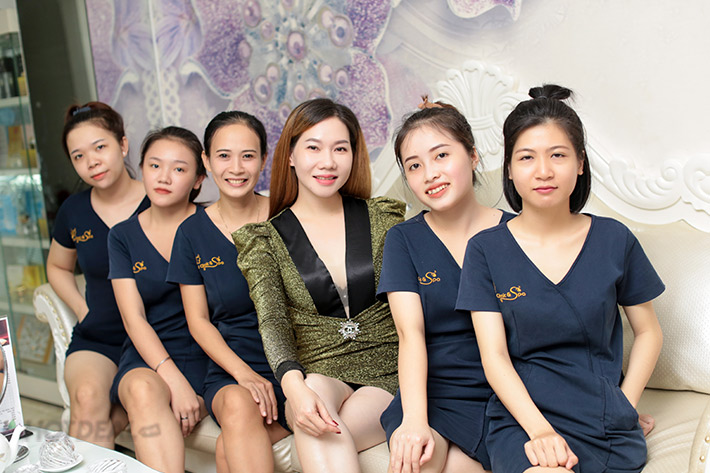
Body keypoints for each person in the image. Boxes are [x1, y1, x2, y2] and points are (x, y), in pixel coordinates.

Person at [456, 85, 664, 473]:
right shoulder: (485, 250)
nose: (544, 171)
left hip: (602, 419)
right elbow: (494, 356)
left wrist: (625, 405)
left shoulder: (614, 240)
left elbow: (649, 331)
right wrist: (540, 432)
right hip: (523, 419)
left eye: (558, 155)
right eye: (526, 157)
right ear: (509, 169)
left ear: (580, 163)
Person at [233, 98, 404, 473]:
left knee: (321, 432)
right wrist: (293, 388)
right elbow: (273, 321)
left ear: (353, 155)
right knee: (313, 406)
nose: (328, 162)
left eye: (340, 149)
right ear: (290, 156)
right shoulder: (265, 240)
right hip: (316, 372)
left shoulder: (383, 218)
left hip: (386, 372)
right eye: (313, 148)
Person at [378, 99, 513, 473]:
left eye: (441, 155)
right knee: (415, 460)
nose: (430, 174)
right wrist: (414, 420)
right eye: (414, 166)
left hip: (506, 390)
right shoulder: (403, 239)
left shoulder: (517, 233)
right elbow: (410, 335)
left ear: (472, 155)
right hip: (431, 391)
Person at [166, 111, 289, 473]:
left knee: (226, 451)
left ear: (263, 160)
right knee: (237, 405)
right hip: (231, 367)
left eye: (247, 156)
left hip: (298, 364)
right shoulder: (190, 233)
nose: (236, 168)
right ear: (206, 161)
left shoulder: (286, 215)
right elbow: (198, 321)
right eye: (223, 156)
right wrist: (244, 374)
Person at [46, 102, 148, 447]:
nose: (91, 162)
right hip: (99, 337)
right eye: (78, 156)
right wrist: (81, 307)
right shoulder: (73, 211)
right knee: (87, 398)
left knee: (113, 416)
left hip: (158, 336)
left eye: (100, 147)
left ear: (123, 145)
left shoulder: (160, 199)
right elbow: (57, 266)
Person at [108, 126, 208, 473]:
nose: (164, 177)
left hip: (209, 353)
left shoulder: (213, 223)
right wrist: (174, 381)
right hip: (150, 354)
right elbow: (133, 319)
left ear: (198, 179)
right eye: (154, 165)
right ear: (142, 169)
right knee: (140, 389)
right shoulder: (122, 236)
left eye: (179, 168)